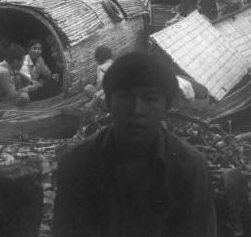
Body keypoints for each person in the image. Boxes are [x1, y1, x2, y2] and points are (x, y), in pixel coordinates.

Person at [53, 52, 217, 237]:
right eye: (124, 96)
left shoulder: (190, 167)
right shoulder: (77, 162)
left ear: (167, 106)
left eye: (150, 99)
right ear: (108, 102)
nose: (136, 110)